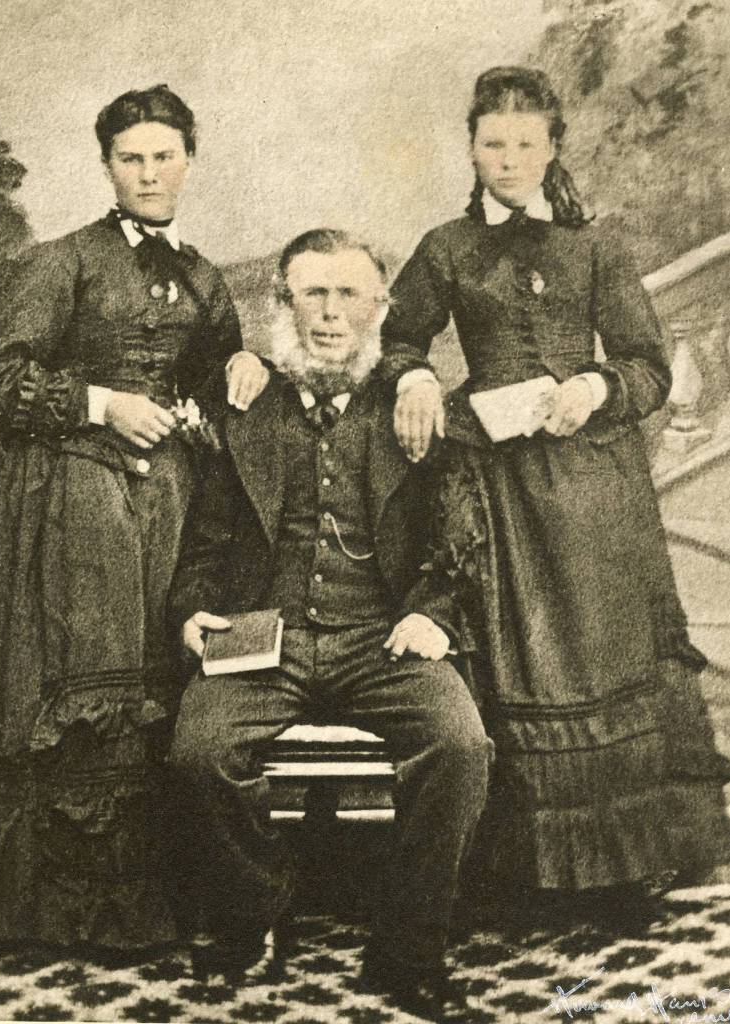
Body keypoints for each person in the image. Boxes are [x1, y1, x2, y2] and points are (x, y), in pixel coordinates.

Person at [383, 66, 730, 903]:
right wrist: (416, 378)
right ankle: (533, 876)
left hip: (599, 487)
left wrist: (594, 387)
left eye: (525, 143)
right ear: (472, 149)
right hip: (499, 489)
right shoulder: (447, 247)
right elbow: (397, 339)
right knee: (525, 660)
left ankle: (636, 865)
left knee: (615, 657)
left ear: (552, 149)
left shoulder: (595, 244)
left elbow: (649, 367)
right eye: (493, 143)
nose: (508, 159)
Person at [0, 84, 268, 948]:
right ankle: (62, 917)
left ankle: (162, 902)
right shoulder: (67, 261)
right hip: (72, 503)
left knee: (163, 674)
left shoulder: (203, 277)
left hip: (169, 512)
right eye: (131, 159)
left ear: (188, 162)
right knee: (86, 683)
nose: (149, 173)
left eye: (164, 156)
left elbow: (219, 380)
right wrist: (102, 403)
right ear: (108, 167)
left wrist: (240, 374)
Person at [168, 228, 490, 1020]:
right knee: (198, 753)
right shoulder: (248, 411)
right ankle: (257, 916)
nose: (330, 313)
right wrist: (191, 612)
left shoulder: (415, 409)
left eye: (349, 293)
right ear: (282, 304)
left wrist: (431, 615)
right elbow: (206, 540)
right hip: (263, 638)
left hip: (382, 639)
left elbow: (460, 536)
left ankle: (408, 945)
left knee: (459, 746)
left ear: (381, 306)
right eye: (312, 293)